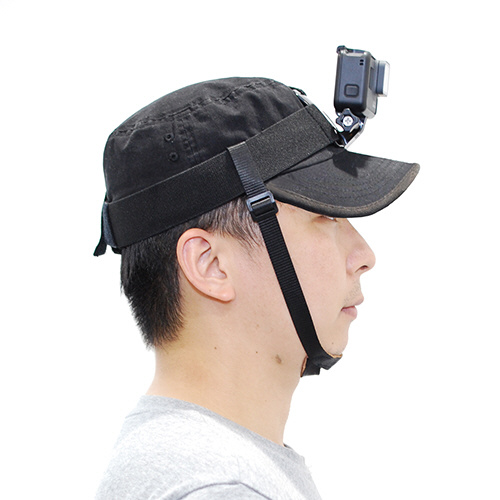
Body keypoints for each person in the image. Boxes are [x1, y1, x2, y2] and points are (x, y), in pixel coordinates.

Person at [94, 77, 419, 499]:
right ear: (211, 264)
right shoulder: (219, 487)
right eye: (324, 216)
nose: (365, 255)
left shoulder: (197, 465)